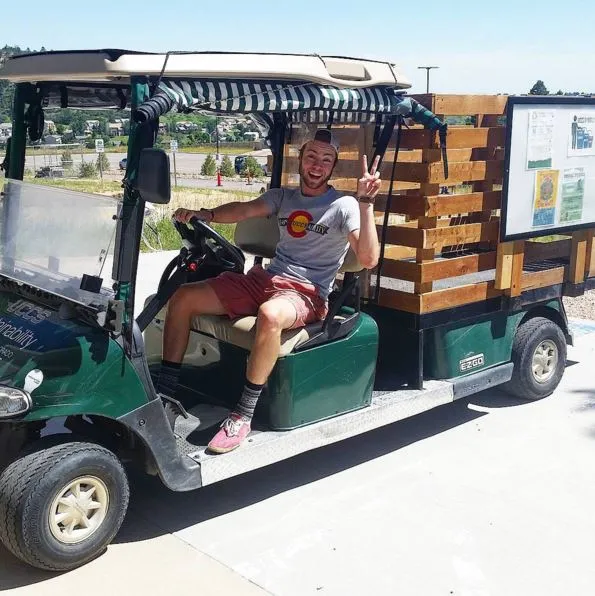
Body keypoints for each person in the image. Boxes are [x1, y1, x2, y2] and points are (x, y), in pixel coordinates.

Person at [157, 129, 381, 454]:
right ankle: (166, 392)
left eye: (326, 160)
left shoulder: (344, 205)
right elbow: (244, 209)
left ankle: (243, 414)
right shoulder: (282, 198)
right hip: (267, 280)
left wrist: (367, 203)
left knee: (270, 314)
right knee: (183, 297)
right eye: (311, 157)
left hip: (306, 293)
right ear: (301, 159)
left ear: (333, 167)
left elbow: (368, 258)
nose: (317, 165)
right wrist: (207, 215)